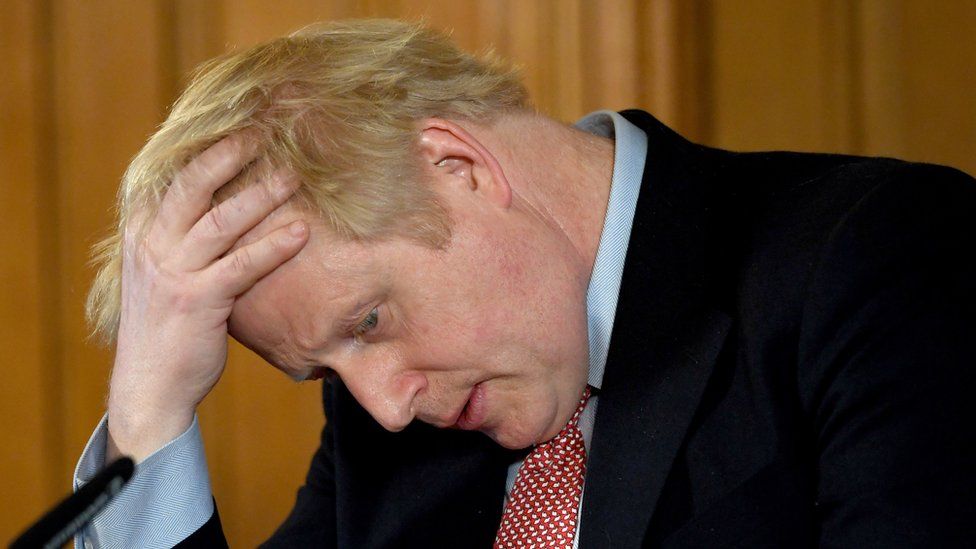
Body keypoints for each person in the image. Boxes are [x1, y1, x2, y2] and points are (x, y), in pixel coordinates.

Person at [74, 19, 975, 548]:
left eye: (370, 320)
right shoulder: (382, 424)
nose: (385, 404)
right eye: (327, 369)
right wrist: (147, 418)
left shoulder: (875, 258)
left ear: (457, 166)